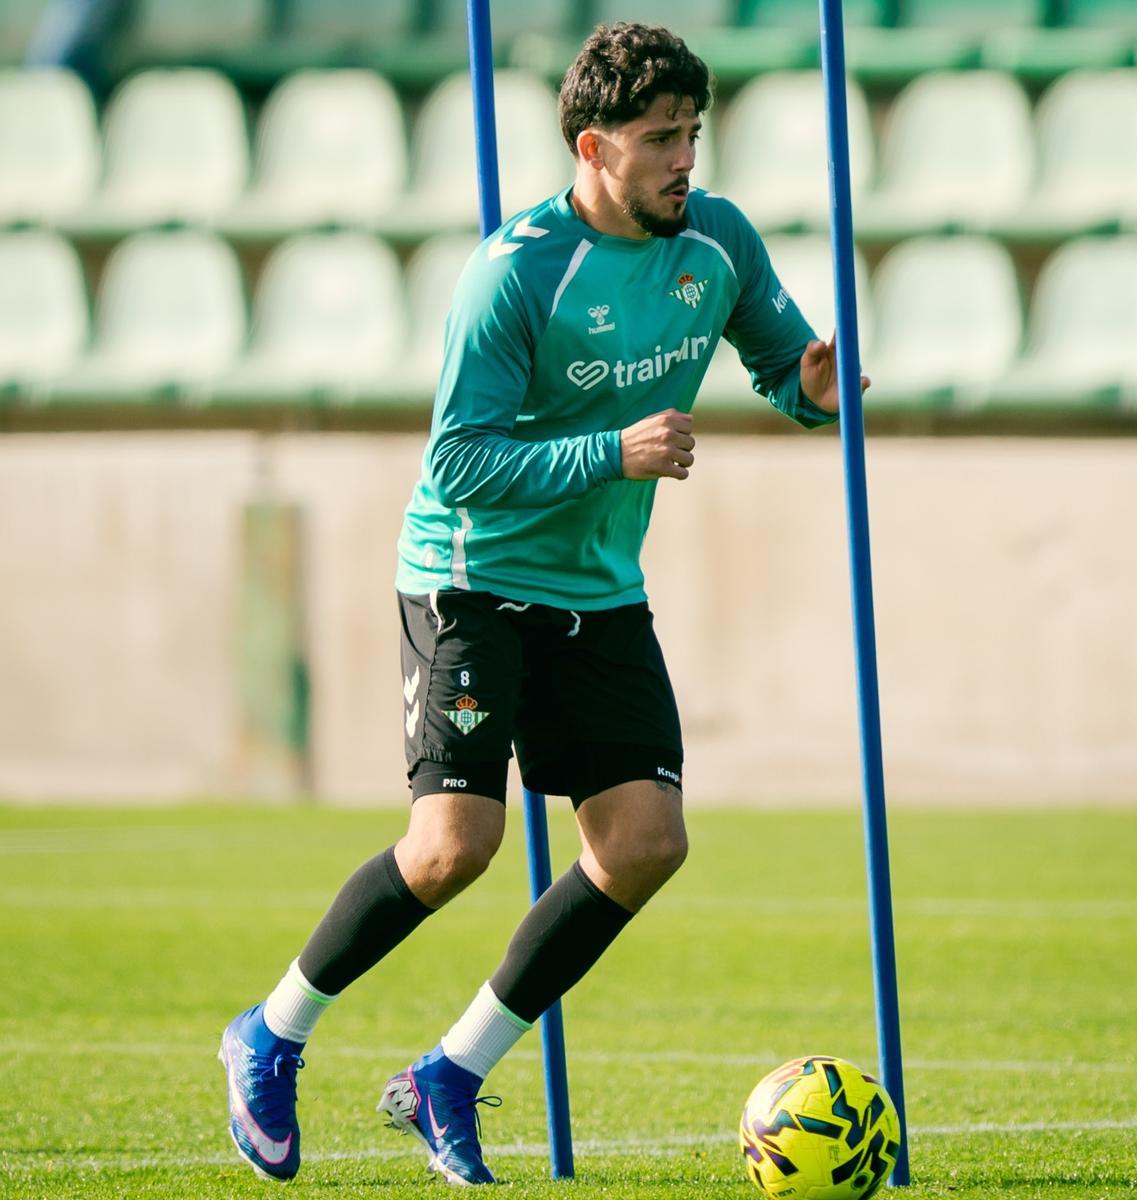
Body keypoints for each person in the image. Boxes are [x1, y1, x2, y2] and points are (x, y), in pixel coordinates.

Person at [219, 21, 866, 1188]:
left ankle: (450, 1075)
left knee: (645, 844)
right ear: (592, 145)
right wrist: (609, 452)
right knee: (454, 847)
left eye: (695, 136)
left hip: (597, 588)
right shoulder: (515, 270)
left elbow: (782, 363)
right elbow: (457, 464)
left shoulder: (714, 238)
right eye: (661, 140)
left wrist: (815, 391)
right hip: (469, 576)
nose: (686, 161)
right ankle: (270, 1034)